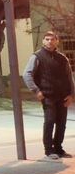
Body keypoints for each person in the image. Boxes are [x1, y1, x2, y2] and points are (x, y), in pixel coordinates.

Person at [23, 31, 74, 160]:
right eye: (47, 39)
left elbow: (69, 78)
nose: (50, 42)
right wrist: (36, 90)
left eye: (52, 39)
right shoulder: (37, 57)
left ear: (57, 41)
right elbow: (27, 74)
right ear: (43, 41)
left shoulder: (62, 58)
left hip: (63, 96)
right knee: (50, 121)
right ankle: (48, 150)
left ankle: (58, 148)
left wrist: (72, 95)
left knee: (61, 123)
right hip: (47, 96)